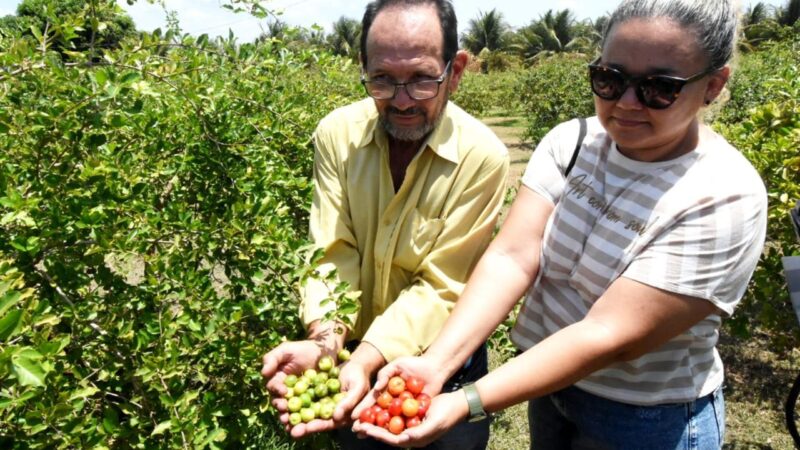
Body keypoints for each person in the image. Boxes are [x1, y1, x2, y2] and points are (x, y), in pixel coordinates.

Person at [353, 0, 768, 448]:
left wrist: (465, 401)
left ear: (713, 84)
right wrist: (436, 365)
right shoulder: (572, 143)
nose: (626, 103)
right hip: (549, 390)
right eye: (610, 79)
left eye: (658, 88)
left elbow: (609, 336)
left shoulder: (723, 195)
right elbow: (512, 257)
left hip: (646, 421)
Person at [260, 0, 509, 448]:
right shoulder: (337, 134)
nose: (401, 100)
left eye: (421, 80)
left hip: (440, 366)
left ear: (455, 72)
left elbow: (443, 283)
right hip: (350, 361)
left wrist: (365, 359)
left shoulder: (482, 157)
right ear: (364, 68)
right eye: (382, 80)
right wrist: (327, 345)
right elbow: (332, 253)